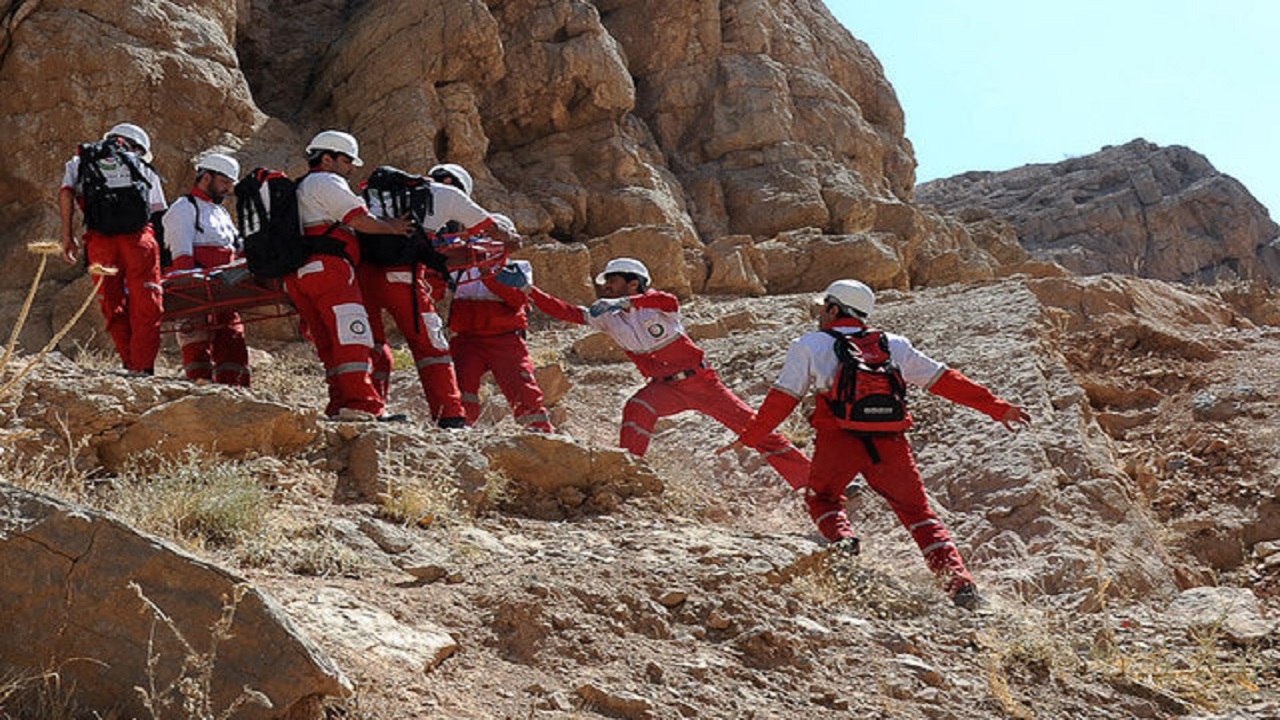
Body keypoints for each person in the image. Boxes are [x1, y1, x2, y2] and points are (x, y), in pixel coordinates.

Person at [720, 279, 1031, 610]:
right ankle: (961, 586)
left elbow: (783, 399)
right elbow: (945, 381)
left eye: (824, 307)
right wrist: (997, 407)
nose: (820, 314)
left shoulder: (809, 344)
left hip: (838, 440)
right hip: (890, 443)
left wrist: (751, 436)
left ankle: (843, 541)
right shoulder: (894, 344)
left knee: (822, 498)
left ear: (834, 309)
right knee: (918, 513)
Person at [516, 257, 810, 488]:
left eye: (613, 281)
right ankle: (629, 475)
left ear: (634, 284)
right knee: (637, 407)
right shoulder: (608, 317)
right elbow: (566, 311)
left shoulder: (657, 305)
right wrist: (530, 291)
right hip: (664, 388)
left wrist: (625, 302)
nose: (605, 287)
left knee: (754, 429)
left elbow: (667, 300)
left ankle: (811, 481)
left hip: (702, 383)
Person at [358, 161, 518, 428]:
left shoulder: (383, 196)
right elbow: (491, 229)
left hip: (363, 277)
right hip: (404, 278)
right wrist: (511, 240)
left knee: (371, 345)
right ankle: (450, 417)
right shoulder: (448, 195)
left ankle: (370, 408)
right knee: (433, 348)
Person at [289, 130, 412, 421]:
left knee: (329, 343)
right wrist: (393, 227)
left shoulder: (298, 188)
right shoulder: (326, 181)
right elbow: (359, 219)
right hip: (331, 270)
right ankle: (362, 406)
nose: (351, 167)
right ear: (327, 158)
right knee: (352, 337)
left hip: (300, 273)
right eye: (347, 160)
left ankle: (339, 405)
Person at [59, 122, 167, 376]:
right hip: (138, 240)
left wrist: (67, 236)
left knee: (111, 303)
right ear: (139, 147)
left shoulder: (81, 160)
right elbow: (157, 211)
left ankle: (128, 363)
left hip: (99, 242)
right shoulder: (140, 164)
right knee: (147, 304)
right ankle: (143, 367)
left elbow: (65, 194)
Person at [161, 152, 250, 386]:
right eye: (224, 182)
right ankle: (199, 390)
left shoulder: (220, 212)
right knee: (195, 340)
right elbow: (181, 252)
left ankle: (236, 390)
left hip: (225, 285)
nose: (228, 189)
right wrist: (193, 288)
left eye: (231, 184)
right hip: (196, 288)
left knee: (232, 337)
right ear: (206, 177)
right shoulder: (183, 207)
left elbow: (235, 245)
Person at [450, 254, 554, 433]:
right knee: (460, 387)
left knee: (523, 389)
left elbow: (518, 300)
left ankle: (539, 434)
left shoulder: (517, 267)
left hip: (505, 339)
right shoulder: (459, 268)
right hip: (468, 340)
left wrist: (489, 275)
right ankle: (459, 431)